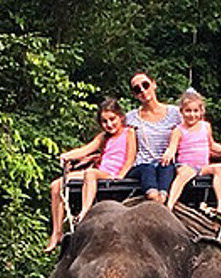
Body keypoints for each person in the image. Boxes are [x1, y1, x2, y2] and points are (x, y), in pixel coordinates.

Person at [46, 98, 137, 252]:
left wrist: (121, 176)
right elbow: (86, 149)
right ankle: (57, 231)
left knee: (90, 173)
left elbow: (130, 158)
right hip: (99, 172)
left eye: (112, 119)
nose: (109, 125)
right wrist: (66, 156)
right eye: (104, 121)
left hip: (112, 174)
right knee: (56, 185)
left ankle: (85, 212)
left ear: (120, 117)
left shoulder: (129, 133)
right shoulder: (103, 137)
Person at [162, 88, 221, 215]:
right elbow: (172, 147)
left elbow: (211, 145)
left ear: (201, 112)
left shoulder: (205, 127)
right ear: (182, 112)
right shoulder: (178, 130)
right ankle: (169, 205)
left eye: (195, 111)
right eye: (188, 111)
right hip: (186, 165)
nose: (192, 115)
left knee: (220, 168)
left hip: (203, 166)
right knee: (183, 174)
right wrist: (169, 153)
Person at [125, 72, 182, 203]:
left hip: (166, 163)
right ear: (134, 95)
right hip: (143, 165)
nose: (143, 91)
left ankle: (162, 198)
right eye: (137, 89)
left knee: (167, 167)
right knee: (147, 168)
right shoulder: (132, 117)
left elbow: (191, 132)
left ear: (154, 84)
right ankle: (153, 196)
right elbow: (129, 149)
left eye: (145, 85)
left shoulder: (175, 113)